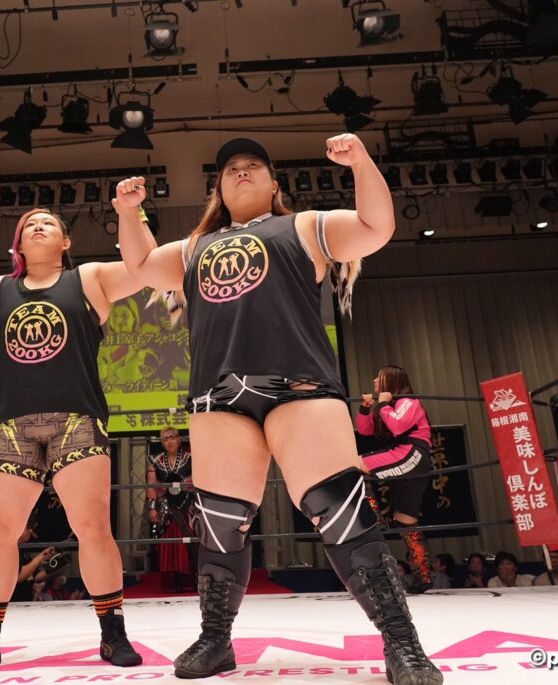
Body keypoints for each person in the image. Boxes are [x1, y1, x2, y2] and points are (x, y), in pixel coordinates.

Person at [114, 136, 441, 684]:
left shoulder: (304, 227)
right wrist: (130, 213)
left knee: (339, 507)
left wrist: (361, 163)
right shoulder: (195, 247)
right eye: (230, 169)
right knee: (221, 523)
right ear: (218, 189)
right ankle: (216, 639)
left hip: (301, 386)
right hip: (218, 395)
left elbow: (375, 227)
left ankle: (403, 644)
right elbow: (143, 264)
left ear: (273, 183)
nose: (241, 172)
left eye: (253, 166)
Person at [0, 208, 146, 673]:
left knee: (93, 528)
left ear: (66, 241)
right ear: (16, 244)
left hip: (76, 418)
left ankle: (113, 635)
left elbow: (142, 269)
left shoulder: (89, 279)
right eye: (29, 225)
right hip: (12, 425)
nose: (38, 226)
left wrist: (130, 213)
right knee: (0, 534)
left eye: (48, 223)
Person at [357, 365, 434, 591]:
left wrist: (382, 404)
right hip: (402, 455)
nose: (374, 381)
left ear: (391, 381)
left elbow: (398, 426)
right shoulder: (389, 406)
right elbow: (365, 431)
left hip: (411, 453)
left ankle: (373, 515)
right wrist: (365, 408)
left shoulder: (409, 401)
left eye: (379, 377)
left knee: (355, 466)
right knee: (406, 520)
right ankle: (423, 577)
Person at [147, 427, 194, 592]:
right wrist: (152, 508)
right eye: (165, 439)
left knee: (189, 542)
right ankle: (170, 582)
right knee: (168, 543)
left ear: (179, 439)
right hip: (166, 508)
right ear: (162, 442)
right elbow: (151, 485)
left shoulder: (190, 458)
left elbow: (199, 480)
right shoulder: (155, 460)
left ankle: (190, 581)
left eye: (172, 437)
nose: (169, 441)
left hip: (188, 507)